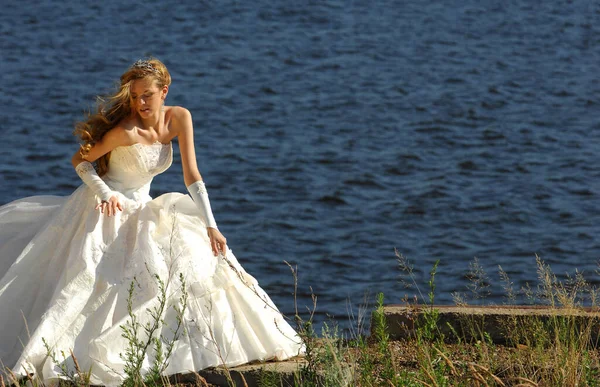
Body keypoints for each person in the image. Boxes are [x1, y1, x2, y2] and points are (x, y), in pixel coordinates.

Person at [0, 58, 303, 386]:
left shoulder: (180, 117)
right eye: (134, 97)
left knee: (197, 255)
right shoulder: (125, 130)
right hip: (108, 205)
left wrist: (212, 224)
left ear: (164, 91)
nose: (140, 103)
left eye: (146, 95)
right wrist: (104, 193)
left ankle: (206, 344)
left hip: (143, 204)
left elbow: (192, 176)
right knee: (91, 276)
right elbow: (81, 161)